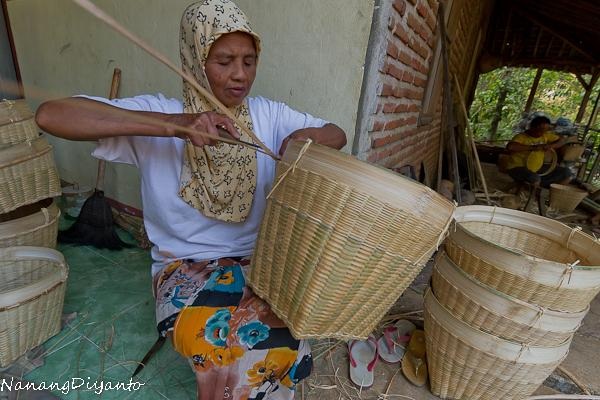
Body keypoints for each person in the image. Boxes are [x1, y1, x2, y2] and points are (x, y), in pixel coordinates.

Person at [35, 1, 346, 399]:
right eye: (224, 61)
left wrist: (307, 140)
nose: (240, 75)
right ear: (195, 59)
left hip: (258, 263)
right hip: (183, 268)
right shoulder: (160, 113)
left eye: (249, 61)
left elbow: (335, 133)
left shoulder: (268, 116)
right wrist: (174, 126)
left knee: (290, 337)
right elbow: (51, 114)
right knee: (221, 348)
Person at [505, 115, 571, 188]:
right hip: (517, 168)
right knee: (534, 178)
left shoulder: (545, 135)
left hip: (537, 168)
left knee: (566, 173)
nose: (542, 133)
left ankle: (548, 191)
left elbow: (562, 141)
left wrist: (550, 146)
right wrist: (533, 147)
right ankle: (531, 193)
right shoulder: (521, 137)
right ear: (532, 127)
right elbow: (510, 147)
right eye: (540, 130)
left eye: (545, 130)